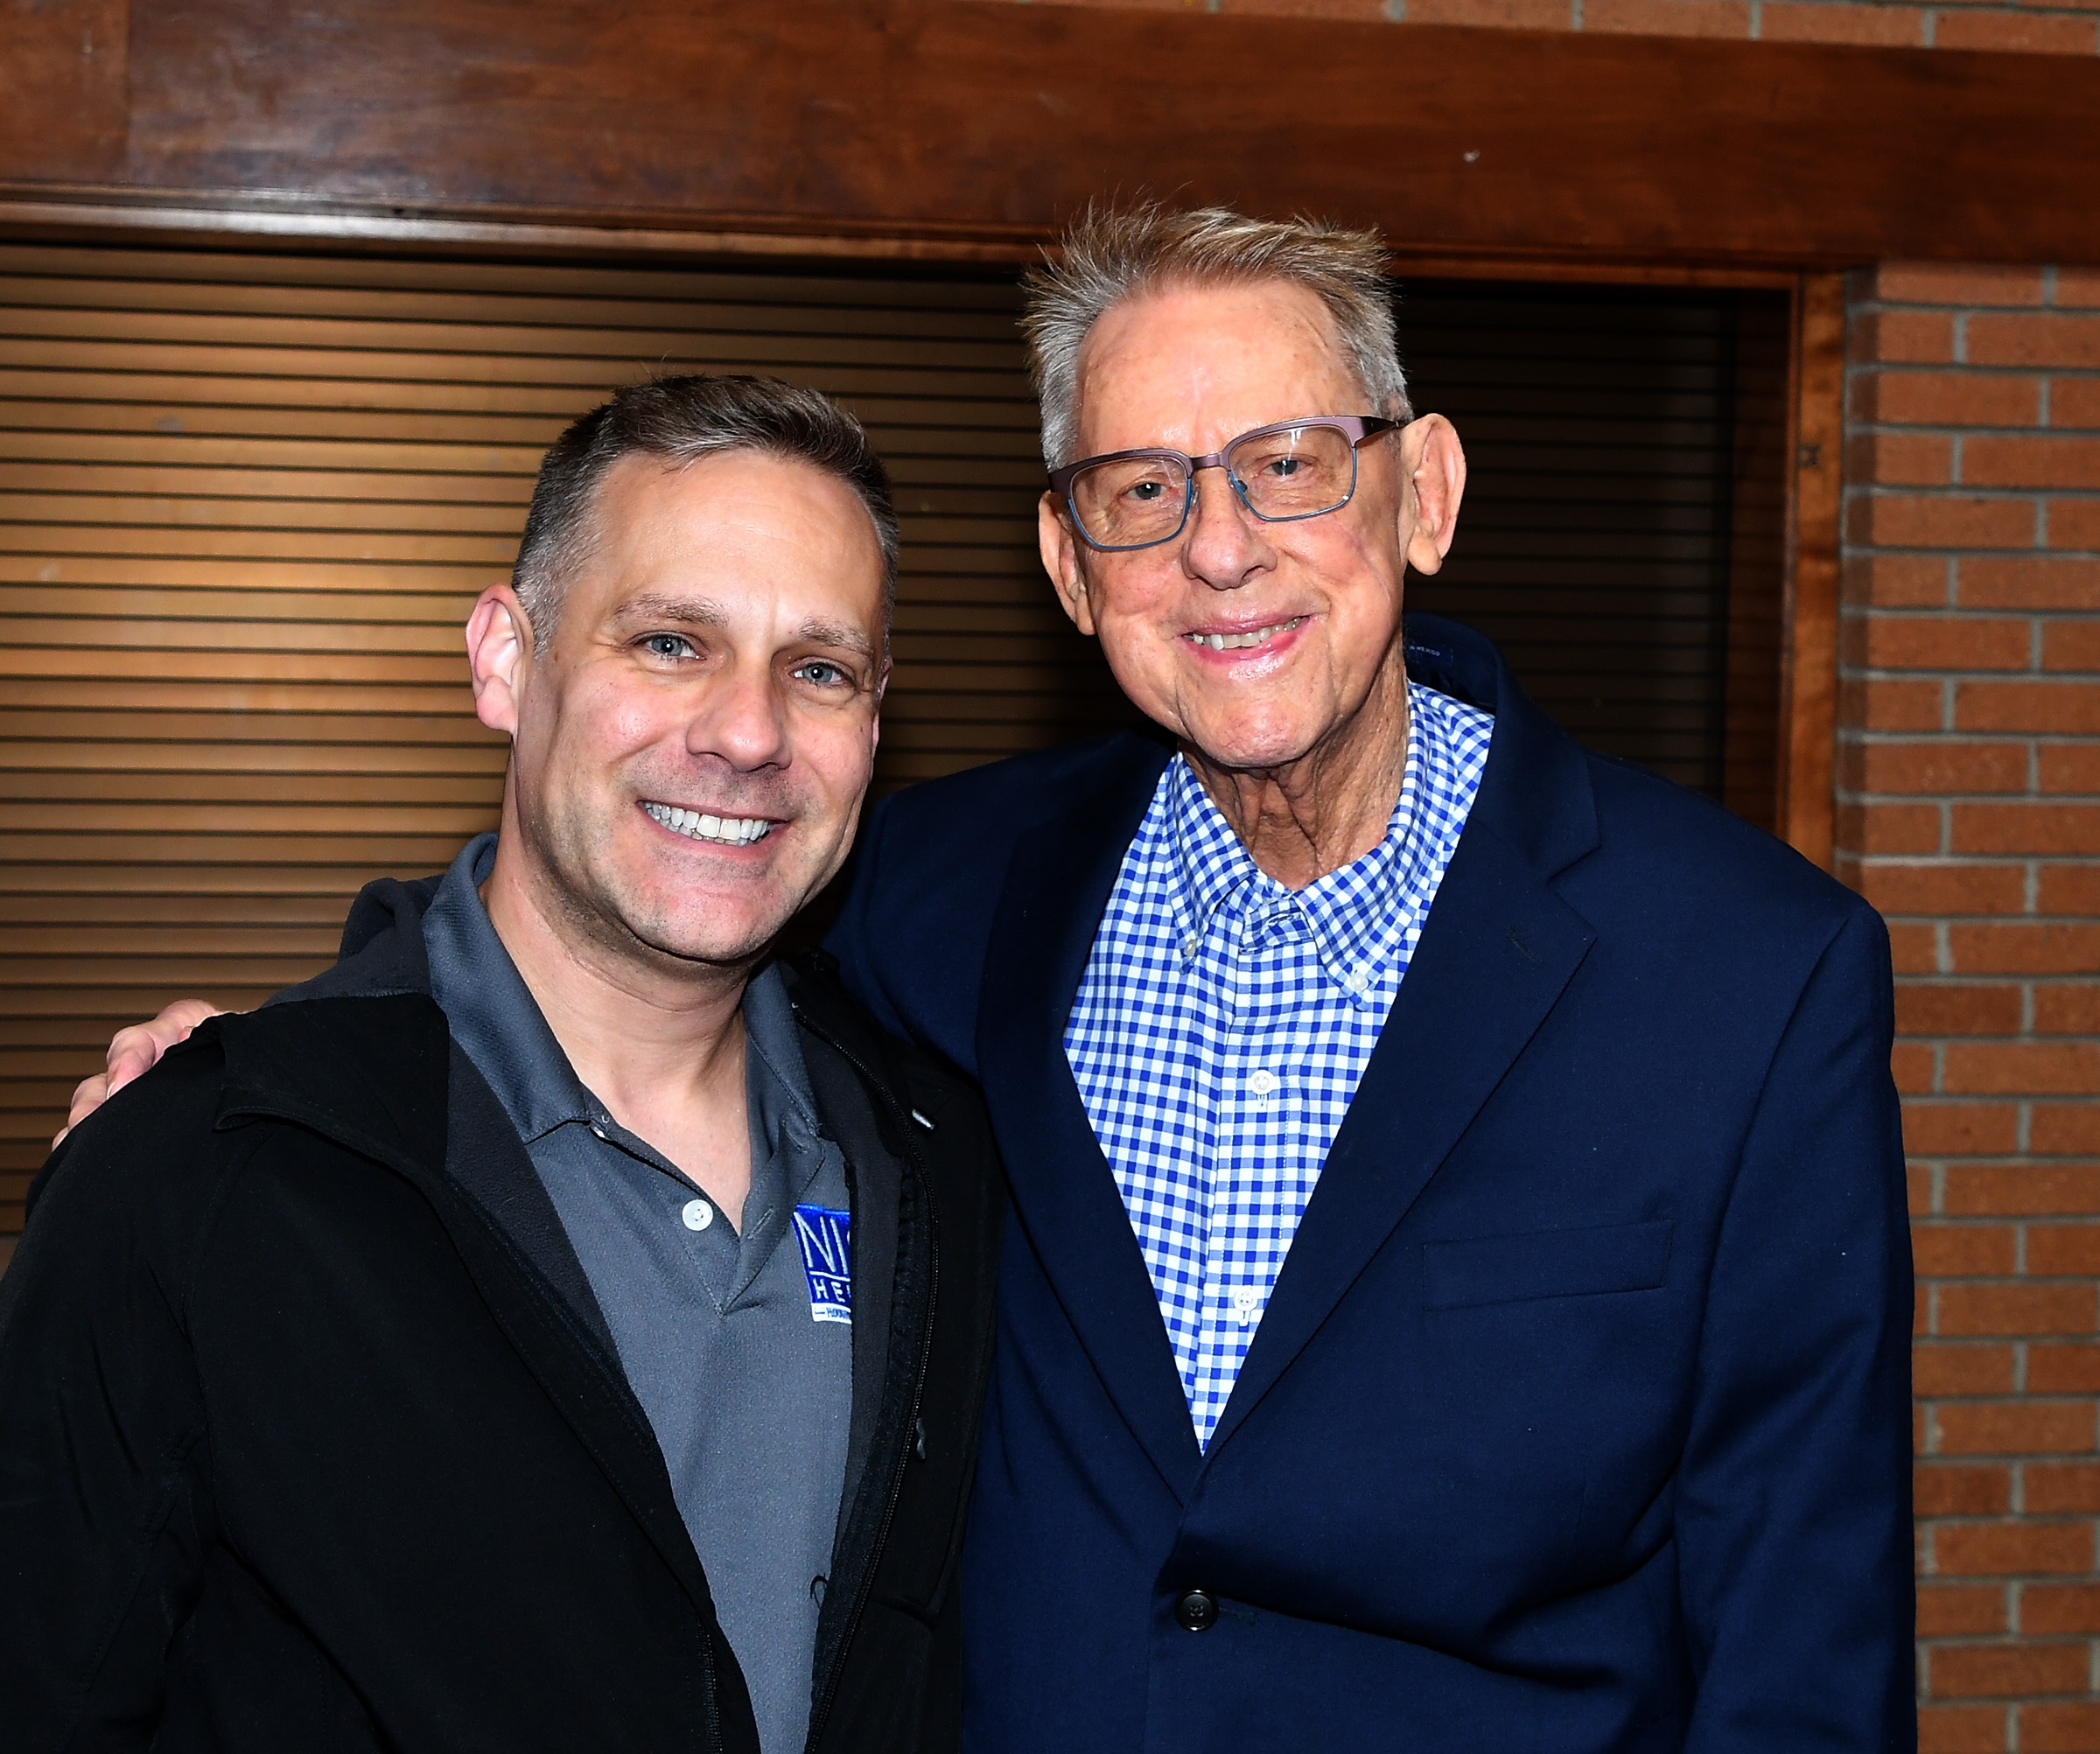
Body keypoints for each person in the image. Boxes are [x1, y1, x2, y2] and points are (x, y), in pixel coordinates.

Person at [59, 206, 1915, 1753]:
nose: (1219, 545)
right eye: (1139, 489)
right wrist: (319, 1037)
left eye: (1289, 463)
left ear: (1419, 490)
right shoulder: (942, 895)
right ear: (1064, 557)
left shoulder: (1748, 978)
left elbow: (1805, 1651)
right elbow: (630, 887)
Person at [2, 375, 1003, 1754]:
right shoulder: (208, 1169)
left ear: (874, 727)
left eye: (819, 670)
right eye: (668, 642)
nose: (751, 732)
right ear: (506, 661)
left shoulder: (934, 1162)